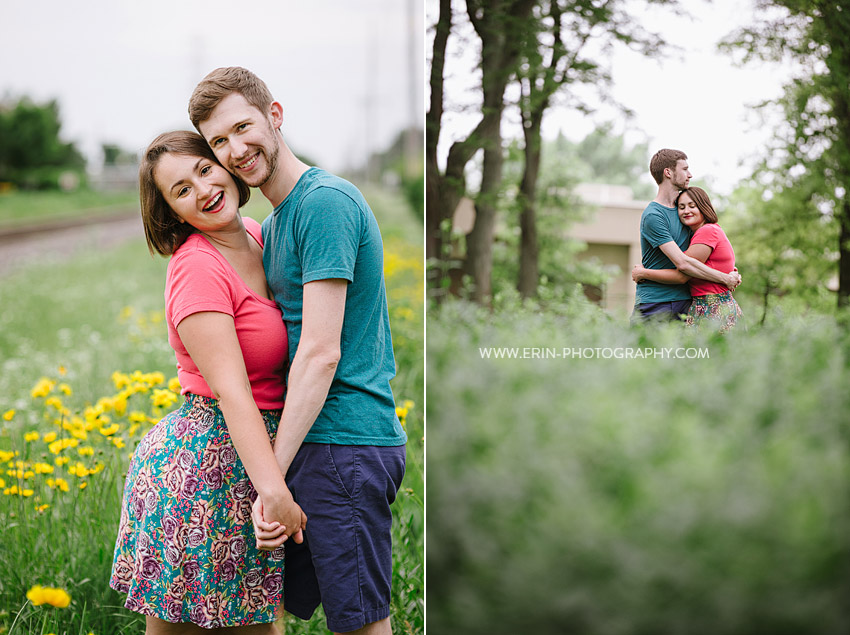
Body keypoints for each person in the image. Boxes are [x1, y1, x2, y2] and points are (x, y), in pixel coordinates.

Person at [188, 67, 408, 635]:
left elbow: (319, 353)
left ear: (275, 116)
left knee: (362, 624)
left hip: (345, 442)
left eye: (243, 127)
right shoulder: (278, 217)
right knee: (278, 614)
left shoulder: (324, 203)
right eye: (218, 142)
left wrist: (271, 478)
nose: (236, 150)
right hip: (320, 441)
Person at [109, 131, 299, 634]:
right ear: (173, 212)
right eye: (181, 190)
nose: (203, 189)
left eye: (204, 170)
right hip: (202, 472)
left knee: (262, 621)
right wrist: (274, 489)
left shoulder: (259, 235)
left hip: (254, 457)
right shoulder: (196, 268)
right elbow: (232, 391)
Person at [631, 149, 741, 323]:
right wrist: (725, 278)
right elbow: (682, 264)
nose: (690, 175)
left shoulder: (684, 213)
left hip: (686, 302)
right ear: (668, 172)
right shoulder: (654, 215)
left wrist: (727, 273)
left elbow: (707, 250)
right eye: (685, 169)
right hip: (656, 303)